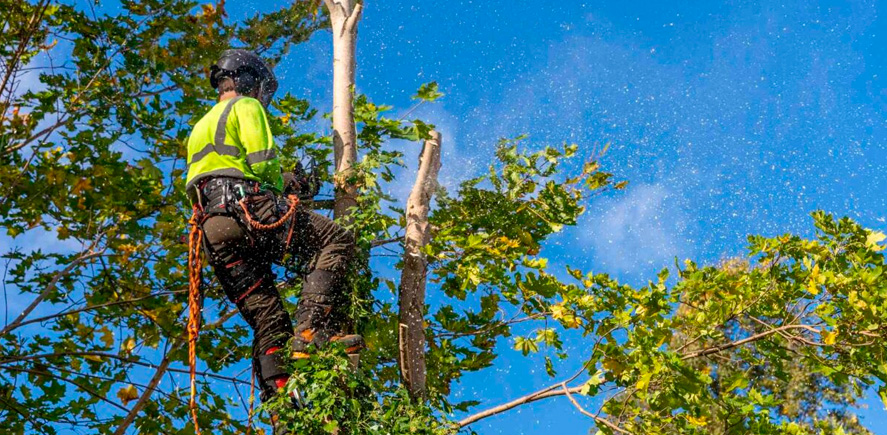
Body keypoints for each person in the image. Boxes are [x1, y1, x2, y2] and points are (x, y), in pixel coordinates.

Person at [184, 49, 361, 431]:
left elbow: (217, 173)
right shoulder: (247, 108)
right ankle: (310, 331)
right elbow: (263, 164)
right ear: (248, 81)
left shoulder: (199, 127)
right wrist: (292, 186)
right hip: (247, 208)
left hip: (214, 229)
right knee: (336, 241)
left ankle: (281, 406)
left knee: (268, 317)